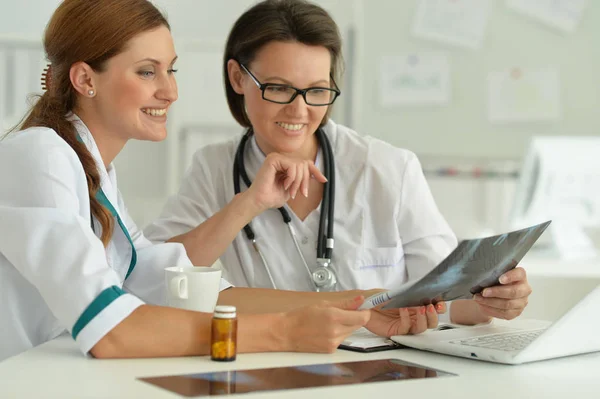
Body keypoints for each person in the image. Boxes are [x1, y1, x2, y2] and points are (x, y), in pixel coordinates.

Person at [0, 0, 435, 362]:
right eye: (147, 72)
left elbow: (178, 286)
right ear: (84, 79)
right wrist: (285, 332)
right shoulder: (40, 155)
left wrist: (356, 306)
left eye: (172, 71)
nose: (170, 92)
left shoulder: (94, 174)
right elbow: (112, 331)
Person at [145, 0, 532, 326]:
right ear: (237, 77)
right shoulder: (214, 167)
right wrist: (247, 204)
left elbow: (449, 295)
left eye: (317, 91)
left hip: (382, 370)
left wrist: (492, 301)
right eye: (278, 88)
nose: (299, 110)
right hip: (273, 366)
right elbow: (156, 277)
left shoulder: (386, 167)